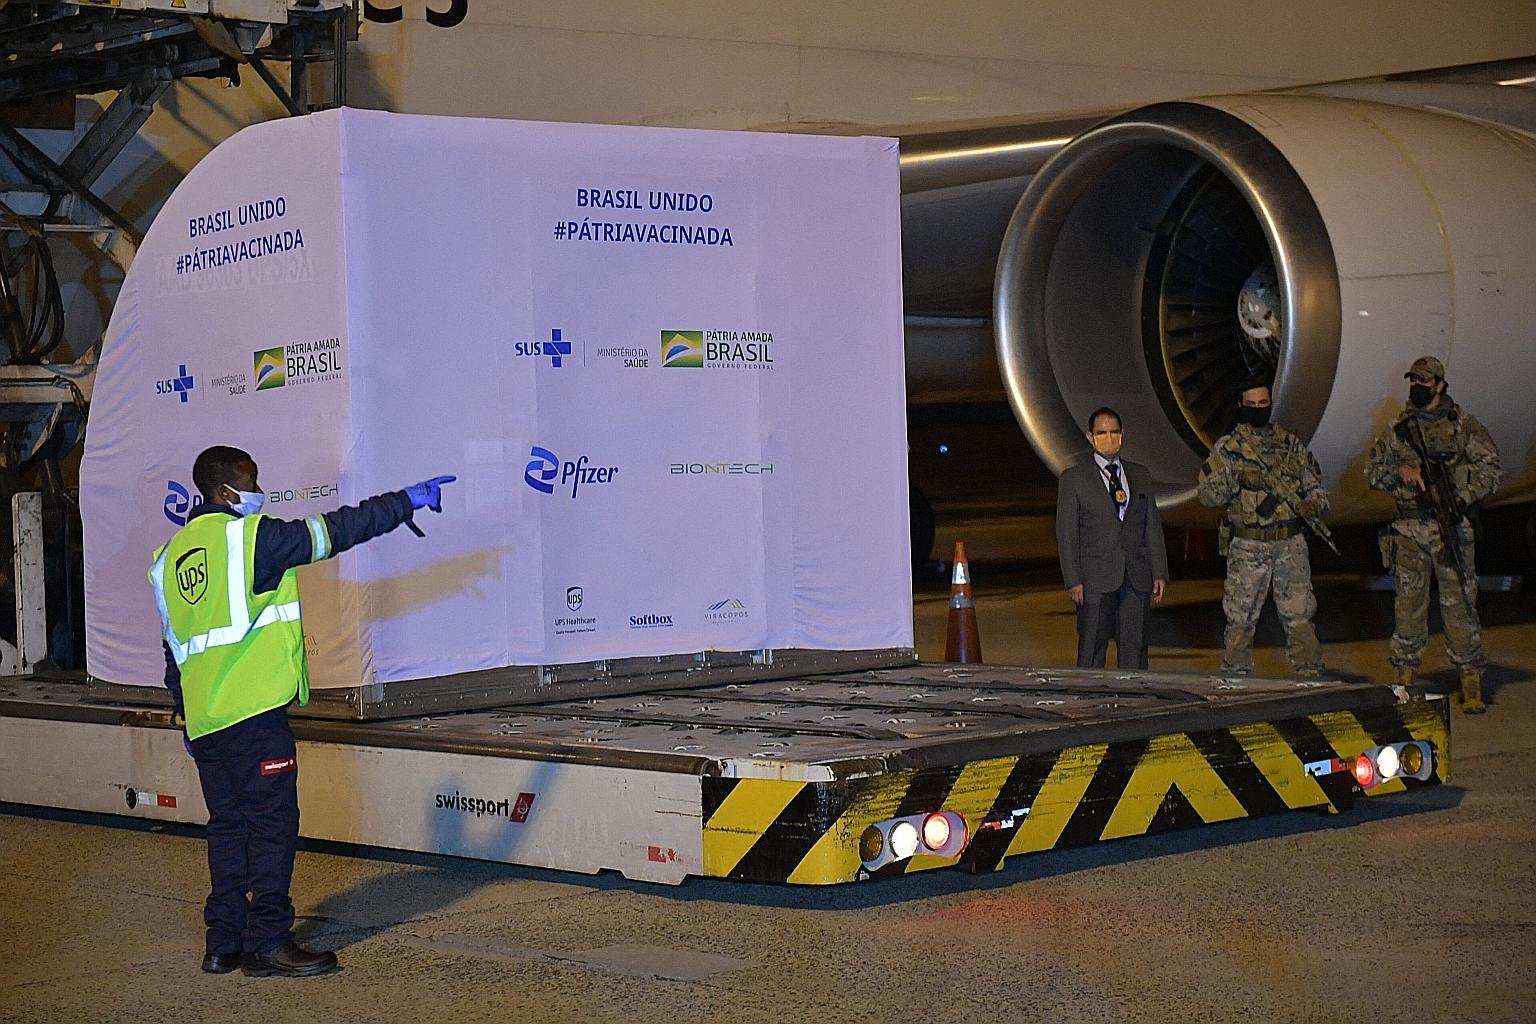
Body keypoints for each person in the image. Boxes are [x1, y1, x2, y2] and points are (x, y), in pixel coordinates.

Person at [149, 445, 455, 976]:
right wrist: (402, 502)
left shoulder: (170, 557)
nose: (258, 489)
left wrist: (187, 713)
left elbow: (173, 652)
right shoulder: (252, 538)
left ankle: (223, 943)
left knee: (228, 829)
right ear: (224, 492)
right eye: (251, 480)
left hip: (205, 724)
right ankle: (269, 940)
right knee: (271, 828)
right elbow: (333, 531)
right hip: (254, 716)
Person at [1366, 356, 1501, 712]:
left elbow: (1491, 469)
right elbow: (1372, 471)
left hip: (1451, 527)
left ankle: (1470, 678)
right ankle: (1404, 679)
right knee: (1408, 608)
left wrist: (1460, 495)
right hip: (1410, 531)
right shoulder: (1399, 427)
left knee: (1460, 607)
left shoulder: (1463, 426)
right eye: (1414, 381)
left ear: (1440, 385)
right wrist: (1402, 470)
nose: (1417, 388)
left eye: (1425, 383)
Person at [1197, 380, 1330, 677]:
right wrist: (1236, 478)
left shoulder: (1290, 445)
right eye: (1252, 405)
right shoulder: (1229, 449)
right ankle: (1236, 674)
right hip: (1249, 545)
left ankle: (1309, 673)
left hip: (1290, 542)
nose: (1258, 410)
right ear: (1242, 406)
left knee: (1300, 615)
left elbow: (1316, 488)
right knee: (1240, 617)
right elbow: (1207, 496)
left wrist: (1312, 505)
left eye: (1263, 404)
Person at [1055, 407, 1169, 669]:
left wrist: (1159, 571)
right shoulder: (1074, 479)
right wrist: (1073, 579)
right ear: (1090, 437)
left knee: (1135, 648)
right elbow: (1067, 532)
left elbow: (1151, 525)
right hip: (1094, 579)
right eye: (1102, 433)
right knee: (1092, 647)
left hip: (1135, 577)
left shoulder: (1139, 475)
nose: (1109, 437)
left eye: (1114, 432)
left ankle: (1133, 701)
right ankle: (1091, 701)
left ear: (1122, 435)